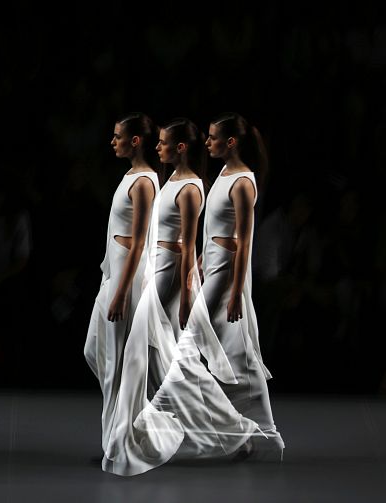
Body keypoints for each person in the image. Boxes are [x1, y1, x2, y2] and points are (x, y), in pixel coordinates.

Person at [102, 118, 259, 476]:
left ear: (180, 148)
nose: (158, 148)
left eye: (163, 143)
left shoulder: (191, 187)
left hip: (170, 273)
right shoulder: (168, 180)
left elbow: (188, 245)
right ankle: (233, 430)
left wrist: (187, 296)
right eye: (155, 143)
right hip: (156, 268)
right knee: (168, 362)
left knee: (145, 356)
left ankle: (123, 439)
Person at [201, 112, 285, 456]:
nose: (207, 142)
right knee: (221, 357)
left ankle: (252, 435)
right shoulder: (222, 174)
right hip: (213, 271)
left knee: (229, 356)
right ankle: (243, 435)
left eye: (213, 137)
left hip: (228, 278)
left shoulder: (244, 181)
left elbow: (244, 240)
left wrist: (236, 292)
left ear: (231, 142)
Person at [84, 113, 160, 454]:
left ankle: (116, 444)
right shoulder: (132, 176)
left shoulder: (144, 181)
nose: (112, 141)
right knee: (94, 350)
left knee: (116, 362)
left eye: (118, 136)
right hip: (112, 275)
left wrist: (122, 292)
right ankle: (131, 424)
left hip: (125, 282)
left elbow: (140, 241)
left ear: (135, 141)